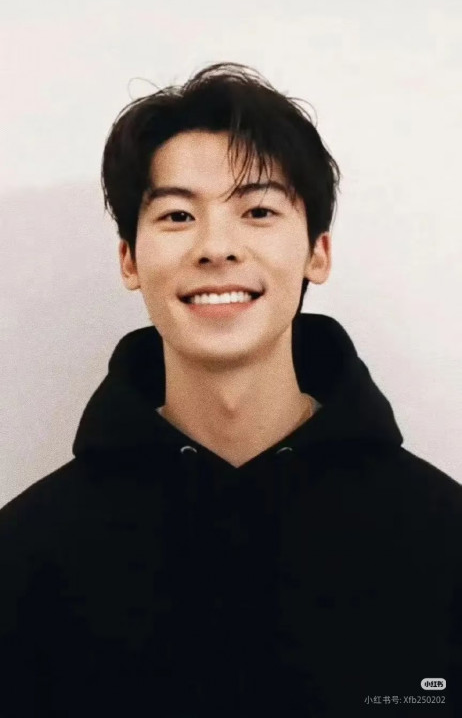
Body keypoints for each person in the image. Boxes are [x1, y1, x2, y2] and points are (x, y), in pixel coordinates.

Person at [0, 61, 460, 717]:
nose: (217, 247)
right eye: (178, 214)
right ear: (129, 259)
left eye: (259, 210)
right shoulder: (25, 556)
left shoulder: (441, 540)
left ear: (318, 253)